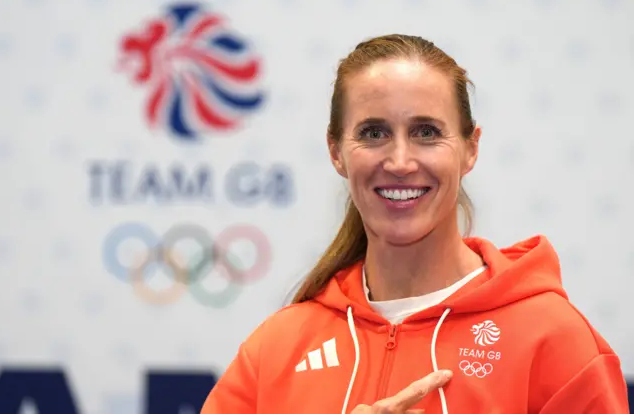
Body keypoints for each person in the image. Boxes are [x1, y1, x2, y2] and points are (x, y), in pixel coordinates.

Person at [200, 34, 630, 413]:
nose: (400, 162)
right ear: (335, 151)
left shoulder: (553, 341)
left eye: (426, 132)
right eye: (373, 133)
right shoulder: (276, 348)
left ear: (470, 149)